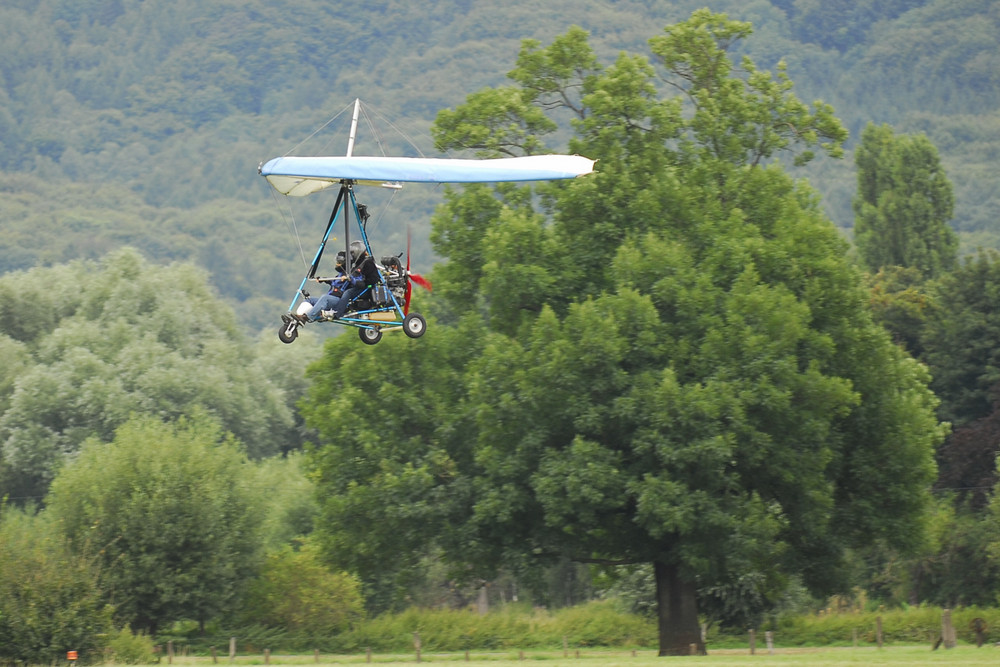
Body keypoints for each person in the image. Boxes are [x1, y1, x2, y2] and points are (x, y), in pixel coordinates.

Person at [331, 240, 381, 318]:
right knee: (341, 289)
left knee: (348, 293)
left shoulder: (368, 263)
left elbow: (373, 279)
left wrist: (361, 283)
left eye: (352, 253)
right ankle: (334, 307)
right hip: (359, 286)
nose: (351, 256)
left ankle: (338, 313)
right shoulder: (358, 264)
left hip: (367, 288)